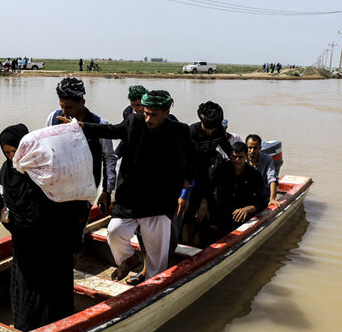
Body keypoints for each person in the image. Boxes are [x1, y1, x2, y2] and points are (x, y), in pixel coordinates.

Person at [64, 90, 193, 281]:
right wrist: (82, 127)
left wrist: (187, 183)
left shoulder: (180, 131)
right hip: (131, 198)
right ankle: (129, 259)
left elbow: (193, 157)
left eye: (153, 115)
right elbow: (111, 130)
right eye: (146, 112)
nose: (148, 118)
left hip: (159, 201)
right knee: (115, 231)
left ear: (166, 113)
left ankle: (151, 284)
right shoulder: (135, 121)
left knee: (156, 254)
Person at [0, 124, 74, 331]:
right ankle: (26, 326)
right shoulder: (7, 169)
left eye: (15, 151)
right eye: (7, 153)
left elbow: (58, 206)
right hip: (23, 244)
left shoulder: (44, 169)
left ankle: (55, 327)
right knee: (25, 288)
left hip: (50, 242)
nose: (13, 157)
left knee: (50, 289)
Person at [46, 77, 117, 254]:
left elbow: (109, 158)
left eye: (69, 107)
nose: (64, 111)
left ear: (82, 102)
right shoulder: (53, 118)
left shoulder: (99, 125)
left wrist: (106, 192)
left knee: (74, 237)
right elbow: (46, 151)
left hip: (84, 191)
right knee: (54, 233)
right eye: (62, 105)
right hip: (57, 188)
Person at [186, 101, 232, 247]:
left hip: (210, 166)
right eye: (208, 128)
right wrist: (202, 201)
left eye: (214, 128)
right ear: (201, 118)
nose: (211, 132)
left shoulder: (218, 128)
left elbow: (228, 148)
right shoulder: (191, 132)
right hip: (191, 169)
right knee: (195, 209)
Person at [212, 142, 267, 232]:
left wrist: (248, 208)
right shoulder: (222, 170)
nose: (237, 160)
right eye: (234, 157)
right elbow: (209, 186)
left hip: (243, 215)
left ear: (246, 156)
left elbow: (263, 200)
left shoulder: (254, 175)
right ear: (230, 156)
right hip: (222, 212)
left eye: (240, 157)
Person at [246, 134, 278, 206]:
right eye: (249, 148)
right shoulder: (241, 159)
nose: (252, 151)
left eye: (255, 148)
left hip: (263, 194)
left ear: (260, 148)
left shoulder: (267, 159)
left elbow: (272, 179)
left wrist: (272, 198)